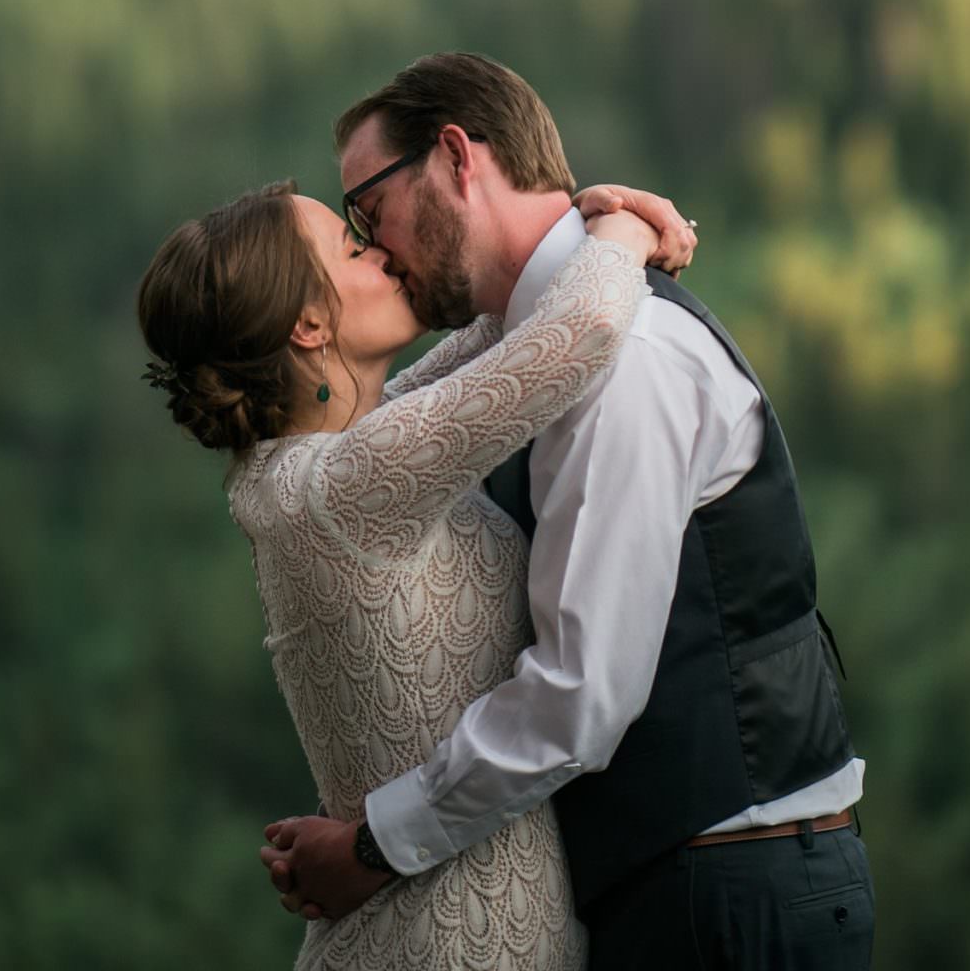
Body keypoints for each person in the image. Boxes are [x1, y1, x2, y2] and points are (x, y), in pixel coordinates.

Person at [262, 52, 873, 970]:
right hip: (692, 884)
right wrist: (608, 227)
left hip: (724, 892)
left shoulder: (619, 358)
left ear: (457, 157)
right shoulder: (539, 343)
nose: (374, 245)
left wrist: (373, 847)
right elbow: (376, 437)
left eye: (368, 209)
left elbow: (583, 693)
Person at [137, 154, 695, 967]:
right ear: (308, 326)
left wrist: (577, 225)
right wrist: (619, 229)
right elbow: (578, 335)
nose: (381, 253)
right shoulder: (342, 484)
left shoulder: (336, 460)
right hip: (439, 943)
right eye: (351, 250)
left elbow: (500, 334)